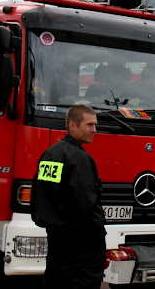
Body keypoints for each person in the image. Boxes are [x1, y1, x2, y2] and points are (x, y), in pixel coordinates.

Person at [30, 104, 106, 289]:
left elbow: (40, 195)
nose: (94, 130)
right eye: (89, 125)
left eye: (95, 125)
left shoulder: (49, 154)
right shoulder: (80, 159)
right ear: (72, 125)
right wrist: (98, 232)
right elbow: (86, 203)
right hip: (81, 247)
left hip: (56, 241)